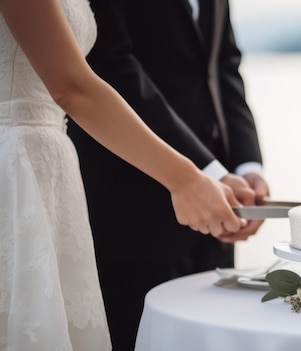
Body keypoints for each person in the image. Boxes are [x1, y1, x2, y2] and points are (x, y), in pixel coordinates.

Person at [0, 0, 252, 349]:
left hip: (55, 174)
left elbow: (223, 63)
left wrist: (235, 167)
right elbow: (74, 86)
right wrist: (186, 178)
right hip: (17, 173)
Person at [66, 0, 269, 350]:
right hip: (129, 205)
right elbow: (112, 66)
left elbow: (223, 63)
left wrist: (246, 166)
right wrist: (208, 172)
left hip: (219, 212)